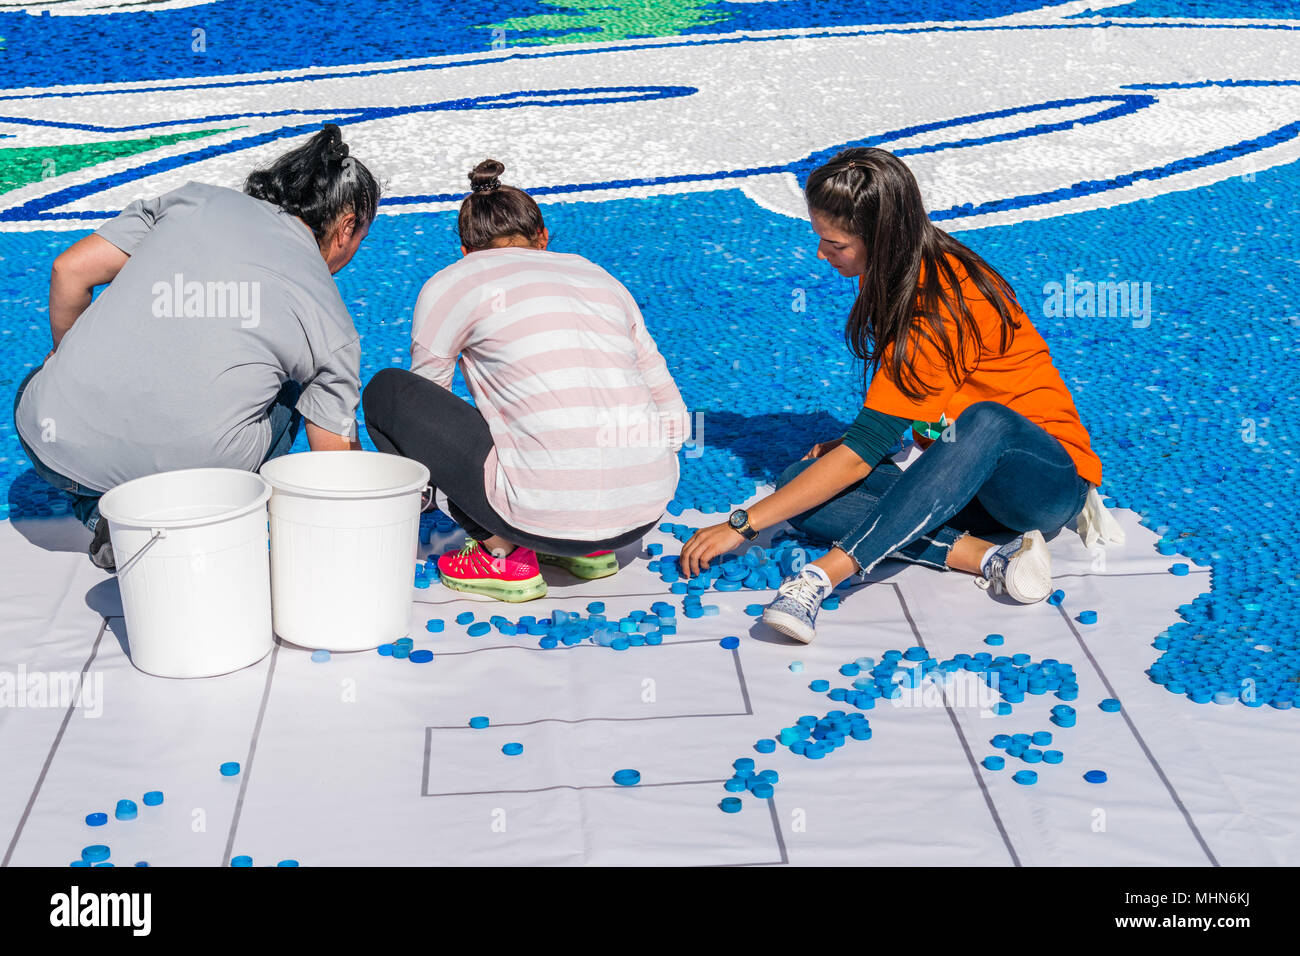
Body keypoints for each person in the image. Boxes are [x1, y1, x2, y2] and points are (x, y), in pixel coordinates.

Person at [679, 147, 1103, 644]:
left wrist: (743, 524)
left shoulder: (942, 301)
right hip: (962, 480)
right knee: (799, 485)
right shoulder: (897, 271)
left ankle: (822, 575)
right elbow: (884, 430)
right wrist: (850, 447)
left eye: (833, 243)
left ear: (878, 239)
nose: (821, 253)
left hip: (1040, 486)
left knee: (984, 421)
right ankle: (990, 557)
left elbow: (866, 453)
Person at [13, 124, 378, 571]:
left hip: (56, 446)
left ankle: (103, 512)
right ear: (345, 227)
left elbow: (68, 270)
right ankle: (178, 517)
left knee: (43, 377)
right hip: (196, 485)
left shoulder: (193, 200)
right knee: (291, 389)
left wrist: (68, 359)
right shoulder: (332, 323)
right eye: (362, 237)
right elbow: (334, 471)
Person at [363, 159, 688, 602]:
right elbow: (669, 406)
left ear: (465, 250)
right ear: (543, 239)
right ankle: (590, 553)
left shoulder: (455, 281)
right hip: (643, 512)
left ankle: (502, 554)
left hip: (537, 515)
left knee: (388, 391)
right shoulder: (599, 277)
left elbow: (428, 399)